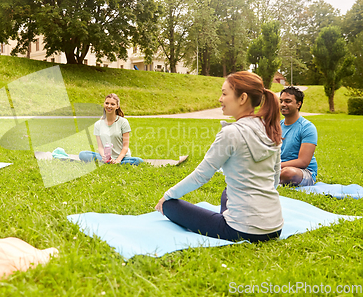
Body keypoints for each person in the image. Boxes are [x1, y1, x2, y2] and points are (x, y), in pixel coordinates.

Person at [155, 71, 283, 242]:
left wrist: (167, 195)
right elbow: (275, 180)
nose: (220, 99)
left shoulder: (231, 133)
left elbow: (201, 176)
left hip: (241, 230)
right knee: (226, 193)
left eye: (224, 93)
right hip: (275, 227)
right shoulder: (270, 129)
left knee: (169, 205)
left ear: (242, 98)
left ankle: (169, 203)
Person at [78, 93, 143, 165]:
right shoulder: (98, 124)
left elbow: (125, 146)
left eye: (112, 104)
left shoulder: (123, 122)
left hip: (122, 157)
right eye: (107, 103)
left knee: (138, 161)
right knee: (82, 154)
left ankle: (115, 163)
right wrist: (104, 157)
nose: (109, 106)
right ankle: (108, 162)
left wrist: (118, 160)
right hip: (105, 156)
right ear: (104, 104)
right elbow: (100, 147)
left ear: (117, 106)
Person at [279, 86, 318, 186]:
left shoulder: (307, 127)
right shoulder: (277, 126)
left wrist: (274, 166)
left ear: (298, 104)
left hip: (302, 172)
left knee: (287, 173)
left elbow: (303, 162)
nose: (283, 104)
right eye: (281, 101)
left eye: (287, 101)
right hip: (277, 168)